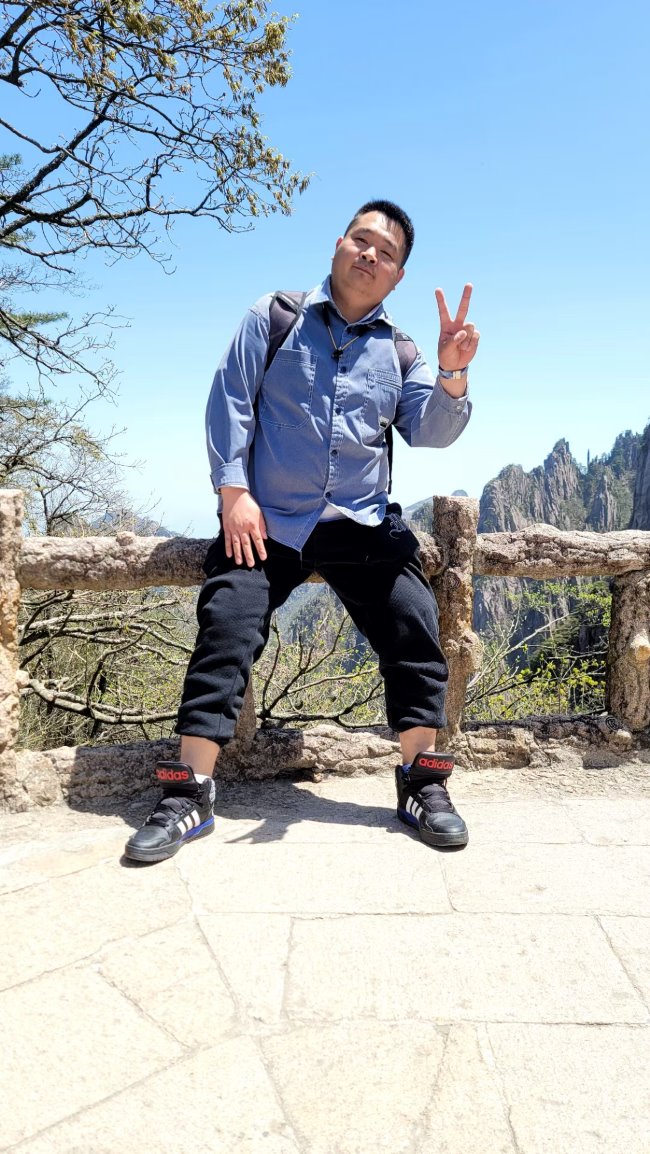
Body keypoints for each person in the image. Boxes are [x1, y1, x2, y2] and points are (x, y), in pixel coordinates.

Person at [124, 199, 480, 864]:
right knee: (228, 623)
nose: (370, 254)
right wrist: (233, 493)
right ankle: (188, 792)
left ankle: (421, 784)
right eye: (362, 240)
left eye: (387, 252)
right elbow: (230, 400)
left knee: (413, 623)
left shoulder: (402, 351)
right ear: (339, 244)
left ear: (398, 275)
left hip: (361, 522)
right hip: (270, 519)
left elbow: (430, 431)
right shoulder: (275, 315)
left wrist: (452, 372)